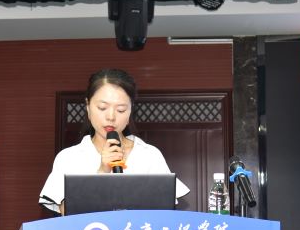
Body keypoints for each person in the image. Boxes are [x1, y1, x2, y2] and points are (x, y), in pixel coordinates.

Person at [39, 68, 190, 214]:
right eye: (102, 108)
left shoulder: (149, 155)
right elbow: (68, 216)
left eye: (121, 110)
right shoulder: (68, 158)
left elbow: (164, 213)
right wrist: (102, 173)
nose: (111, 117)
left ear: (130, 111)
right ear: (88, 107)